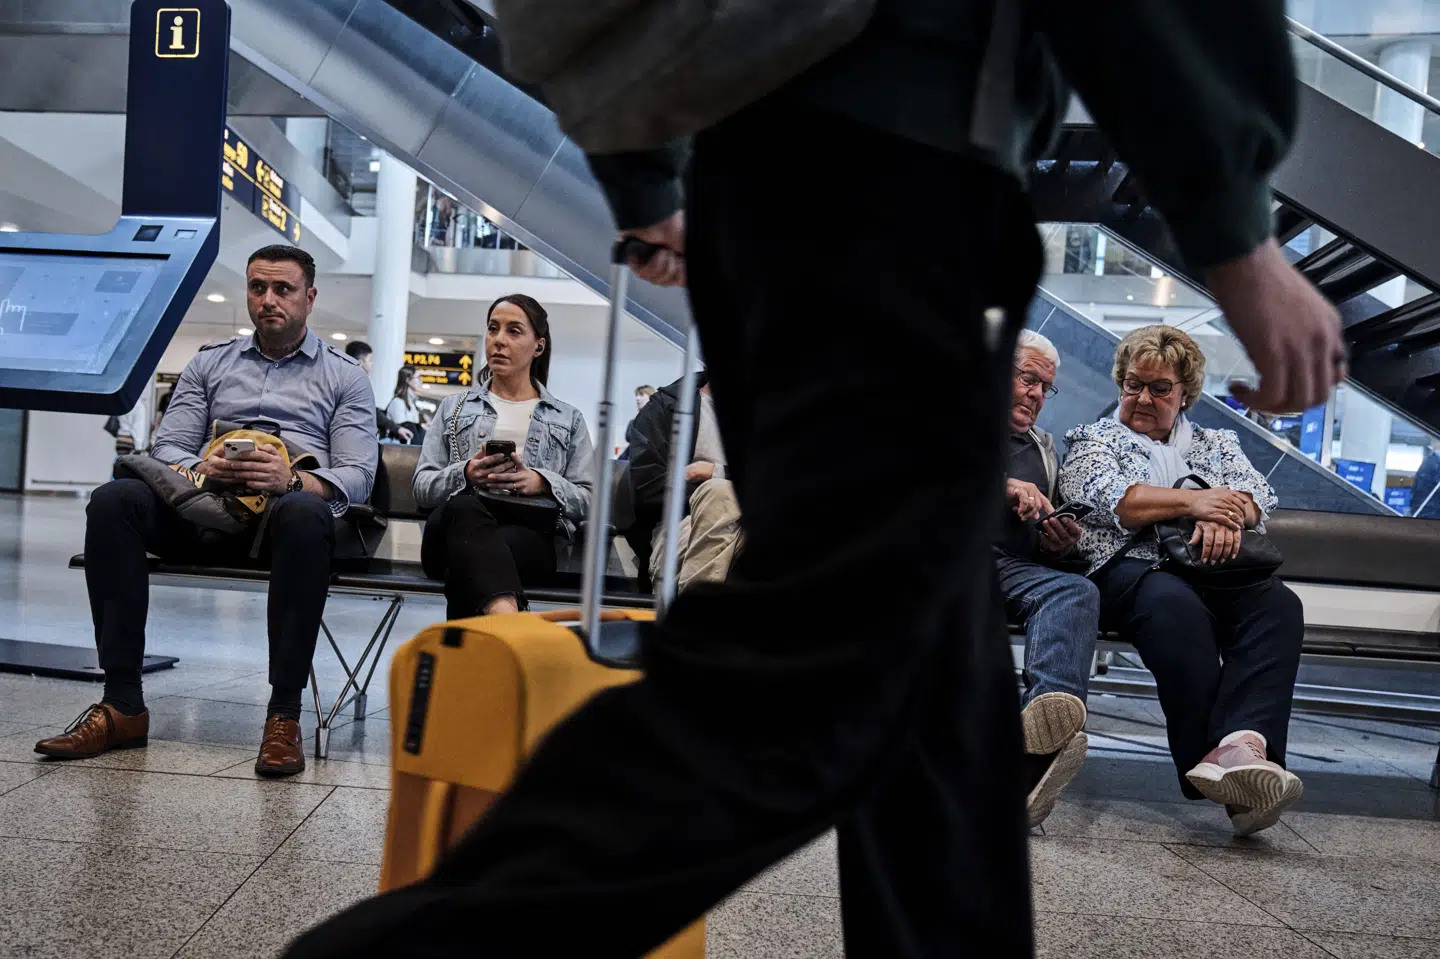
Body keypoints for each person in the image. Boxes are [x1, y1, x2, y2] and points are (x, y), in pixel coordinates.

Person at [285, 3, 1346, 956]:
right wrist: (1231, 226)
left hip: (800, 178)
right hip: (892, 178)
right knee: (823, 678)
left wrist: (645, 172)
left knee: (942, 715)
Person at [34, 245, 377, 777]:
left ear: (309, 298)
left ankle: (284, 714)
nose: (268, 299)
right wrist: (205, 466)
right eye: (257, 287)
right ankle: (122, 704)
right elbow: (169, 446)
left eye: (283, 289)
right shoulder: (209, 363)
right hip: (204, 508)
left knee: (305, 513)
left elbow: (357, 474)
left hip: (283, 525)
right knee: (113, 500)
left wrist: (291, 479)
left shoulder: (345, 376)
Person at [1059, 325, 1305, 837]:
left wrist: (1225, 515)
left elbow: (1256, 496)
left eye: (1159, 388)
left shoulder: (1217, 442)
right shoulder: (1093, 439)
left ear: (1185, 393)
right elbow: (1119, 500)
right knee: (1177, 609)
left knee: (1279, 607)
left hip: (1216, 567)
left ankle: (1243, 747)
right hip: (1134, 568)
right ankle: (1222, 768)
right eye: (1133, 384)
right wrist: (1199, 502)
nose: (1143, 398)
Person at [413, 294, 594, 617]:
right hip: (451, 532)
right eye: (493, 328)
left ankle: (500, 620)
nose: (498, 340)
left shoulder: (568, 418)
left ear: (538, 346)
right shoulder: (454, 408)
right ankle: (510, 627)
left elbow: (589, 500)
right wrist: (466, 473)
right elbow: (422, 487)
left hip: (528, 540)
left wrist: (541, 482)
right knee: (465, 509)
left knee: (478, 560)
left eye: (514, 331)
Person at [994, 330, 1098, 827]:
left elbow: (1039, 534)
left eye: (1044, 387)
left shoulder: (1045, 448)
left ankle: (1042, 730)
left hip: (1008, 568)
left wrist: (1056, 541)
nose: (1036, 394)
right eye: (1027, 379)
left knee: (1075, 590)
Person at [627, 374, 743, 596]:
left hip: (748, 527)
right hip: (679, 526)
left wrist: (715, 471)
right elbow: (647, 488)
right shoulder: (666, 406)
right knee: (718, 495)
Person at [386, 366, 427, 445]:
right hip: (398, 449)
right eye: (418, 378)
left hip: (409, 448)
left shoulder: (412, 403)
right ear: (407, 380)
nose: (421, 381)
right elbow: (403, 429)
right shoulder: (398, 402)